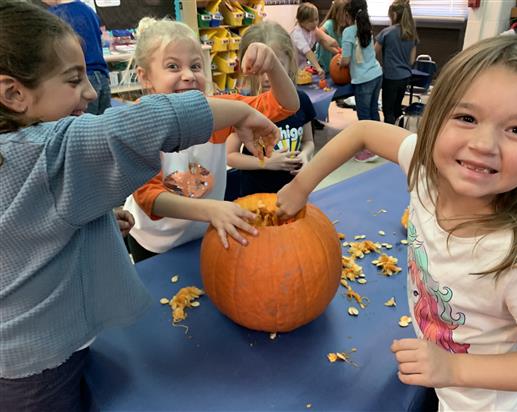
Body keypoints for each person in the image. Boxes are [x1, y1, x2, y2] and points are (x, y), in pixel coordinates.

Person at [0, 1, 280, 409]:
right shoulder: (47, 152)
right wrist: (238, 110)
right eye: (75, 79)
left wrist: (85, 225)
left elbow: (27, 239)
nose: (92, 92)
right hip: (41, 369)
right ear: (13, 93)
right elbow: (147, 123)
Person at [276, 35, 517, 411]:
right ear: (435, 122)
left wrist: (454, 368)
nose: (485, 144)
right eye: (467, 118)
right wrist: (301, 185)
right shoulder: (424, 171)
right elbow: (362, 132)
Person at [123, 18, 299, 262]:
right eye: (173, 67)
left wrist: (273, 65)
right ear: (145, 78)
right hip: (154, 244)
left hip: (202, 234)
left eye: (195, 66)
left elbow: (285, 105)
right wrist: (211, 210)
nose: (189, 76)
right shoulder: (138, 125)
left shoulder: (220, 111)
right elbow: (151, 198)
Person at [227, 22, 316, 197]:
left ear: (290, 62)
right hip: (256, 193)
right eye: (259, 70)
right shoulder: (244, 107)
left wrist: (305, 156)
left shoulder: (301, 101)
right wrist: (266, 163)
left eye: (276, 67)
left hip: (293, 189)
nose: (267, 78)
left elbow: (308, 141)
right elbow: (230, 155)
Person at [42, 0, 112, 115]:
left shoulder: (53, 16)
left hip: (79, 80)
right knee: (102, 127)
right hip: (101, 75)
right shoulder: (89, 10)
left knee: (82, 128)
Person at [340, 0, 382, 162]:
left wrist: (339, 62)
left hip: (364, 79)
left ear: (347, 14)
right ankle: (379, 144)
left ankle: (369, 151)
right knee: (373, 111)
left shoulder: (349, 32)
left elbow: (345, 60)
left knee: (364, 117)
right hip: (377, 74)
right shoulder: (367, 28)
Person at [375, 0, 418, 126]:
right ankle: (400, 131)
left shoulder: (386, 32)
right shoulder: (411, 34)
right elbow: (411, 60)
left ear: (393, 15)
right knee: (397, 107)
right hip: (405, 76)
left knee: (388, 109)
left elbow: (372, 53)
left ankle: (389, 137)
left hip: (391, 77)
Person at [290, 2, 339, 78]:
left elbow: (325, 41)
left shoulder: (312, 29)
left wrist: (339, 52)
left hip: (302, 65)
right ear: (301, 21)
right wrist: (318, 68)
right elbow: (308, 53)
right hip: (291, 66)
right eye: (311, 21)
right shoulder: (297, 34)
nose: (315, 23)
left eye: (316, 19)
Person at [315, 0, 350, 73]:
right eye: (344, 15)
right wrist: (338, 51)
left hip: (333, 66)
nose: (346, 18)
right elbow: (317, 34)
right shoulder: (329, 24)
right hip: (323, 65)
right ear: (337, 14)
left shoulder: (344, 28)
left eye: (347, 15)